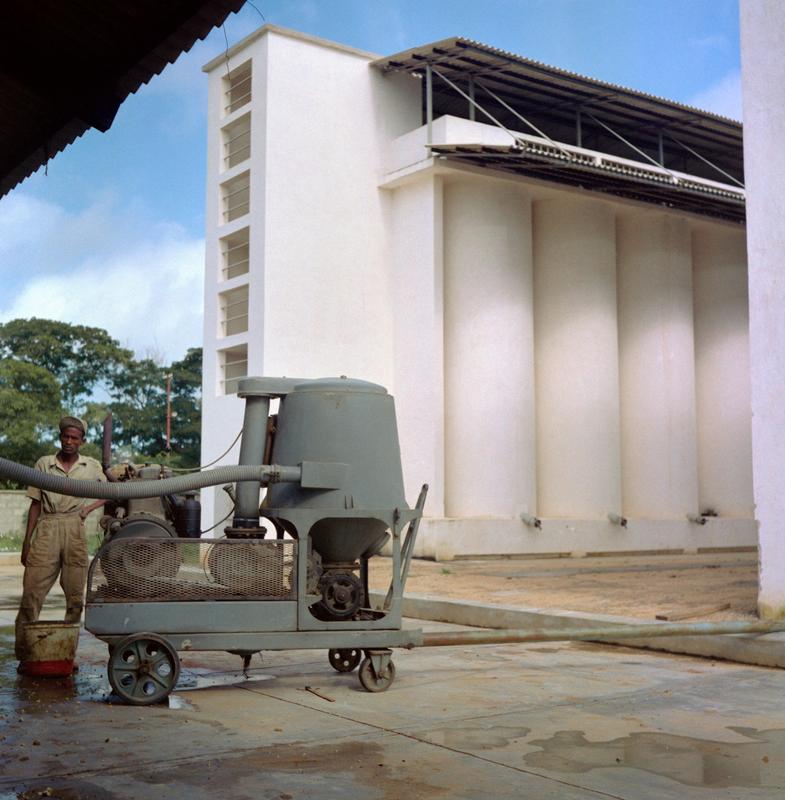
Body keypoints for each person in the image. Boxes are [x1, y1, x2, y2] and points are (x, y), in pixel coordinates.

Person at [15, 416, 107, 663]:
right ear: (60, 437)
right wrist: (27, 541)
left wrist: (87, 510)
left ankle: (67, 655)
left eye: (74, 438)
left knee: (76, 597)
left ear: (82, 441)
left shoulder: (91, 466)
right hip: (47, 526)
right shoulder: (45, 464)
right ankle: (25, 655)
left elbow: (111, 491)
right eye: (65, 436)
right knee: (31, 595)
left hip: (74, 528)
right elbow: (35, 503)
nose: (69, 441)